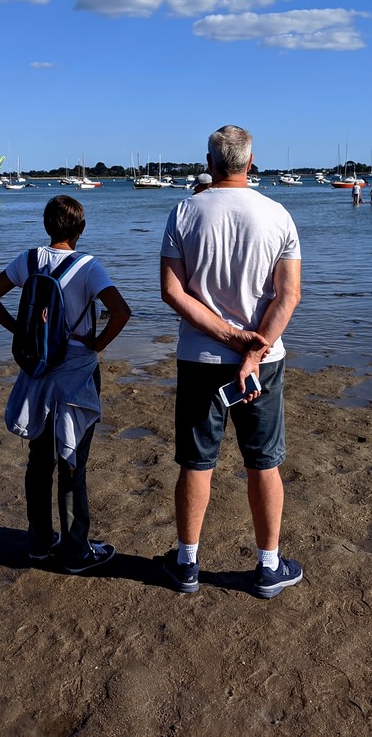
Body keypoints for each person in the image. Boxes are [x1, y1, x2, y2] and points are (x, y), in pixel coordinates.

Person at [159, 124, 303, 599]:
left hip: (200, 357)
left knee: (197, 462)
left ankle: (187, 564)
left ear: (210, 161)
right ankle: (268, 566)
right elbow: (288, 296)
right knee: (263, 462)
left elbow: (172, 292)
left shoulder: (185, 211)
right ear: (251, 162)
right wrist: (252, 351)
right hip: (263, 362)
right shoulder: (277, 214)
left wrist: (228, 337)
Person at [0, 195, 131, 573]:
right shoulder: (88, 267)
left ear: (46, 226)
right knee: (72, 460)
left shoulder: (28, 260)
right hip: (76, 373)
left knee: (39, 460)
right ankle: (76, 552)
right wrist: (97, 344)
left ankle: (39, 544)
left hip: (37, 370)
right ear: (81, 229)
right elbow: (121, 312)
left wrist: (20, 331)